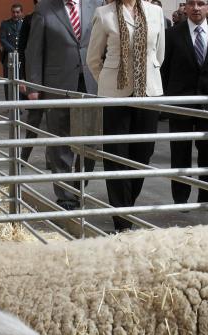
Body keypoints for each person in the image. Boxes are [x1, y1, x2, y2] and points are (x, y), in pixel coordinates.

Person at [87, 0, 166, 231]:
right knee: (116, 156)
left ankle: (126, 206)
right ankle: (122, 222)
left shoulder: (156, 12)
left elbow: (158, 56)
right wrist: (108, 83)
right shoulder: (104, 14)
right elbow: (93, 59)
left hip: (148, 93)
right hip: (115, 96)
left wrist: (144, 78)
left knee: (143, 155)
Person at [25, 0, 104, 210]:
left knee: (91, 143)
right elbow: (34, 50)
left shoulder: (96, 5)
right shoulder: (45, 8)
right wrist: (34, 86)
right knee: (60, 142)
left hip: (90, 82)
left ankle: (79, 186)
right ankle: (65, 196)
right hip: (58, 85)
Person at [161, 0, 208, 208]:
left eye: (201, 3)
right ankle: (180, 201)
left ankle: (205, 200)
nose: (196, 8)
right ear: (184, 7)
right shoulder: (172, 34)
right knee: (180, 155)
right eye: (191, 4)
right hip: (181, 104)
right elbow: (164, 70)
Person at [18, 0, 45, 163]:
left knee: (55, 122)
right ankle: (24, 156)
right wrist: (22, 77)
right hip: (34, 77)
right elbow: (21, 50)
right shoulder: (29, 20)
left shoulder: (60, 18)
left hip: (53, 77)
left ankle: (51, 159)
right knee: (34, 119)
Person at [0, 4, 25, 99]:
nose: (15, 14)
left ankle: (19, 103)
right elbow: (2, 39)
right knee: (8, 80)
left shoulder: (24, 24)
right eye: (13, 12)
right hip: (9, 57)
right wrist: (13, 50)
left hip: (21, 57)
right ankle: (10, 102)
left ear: (21, 12)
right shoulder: (5, 24)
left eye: (18, 12)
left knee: (20, 79)